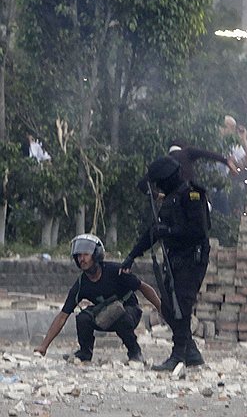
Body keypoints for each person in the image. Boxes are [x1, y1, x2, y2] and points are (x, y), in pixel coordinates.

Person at [122, 156, 210, 371]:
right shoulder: (170, 199)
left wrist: (169, 232)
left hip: (192, 259)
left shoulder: (192, 195)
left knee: (181, 306)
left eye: (158, 182)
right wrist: (132, 255)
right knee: (170, 308)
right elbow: (153, 232)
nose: (157, 187)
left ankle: (179, 355)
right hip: (175, 260)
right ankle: (190, 352)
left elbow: (199, 231)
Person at [35, 234, 162, 363]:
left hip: (129, 312)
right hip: (104, 315)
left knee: (121, 316)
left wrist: (161, 308)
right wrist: (44, 346)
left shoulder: (115, 271)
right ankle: (85, 353)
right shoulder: (81, 284)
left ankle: (135, 352)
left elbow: (144, 287)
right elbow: (63, 316)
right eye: (79, 256)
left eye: (85, 255)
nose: (81, 259)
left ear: (96, 255)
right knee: (83, 318)